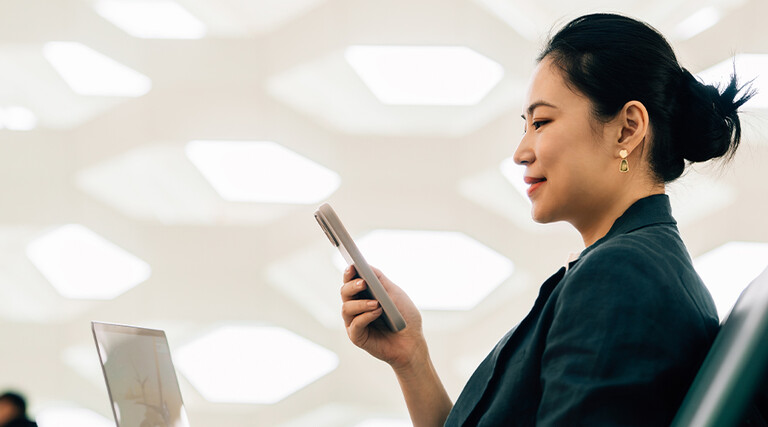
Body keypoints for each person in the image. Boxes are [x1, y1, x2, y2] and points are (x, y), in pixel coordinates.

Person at [339, 13, 755, 426]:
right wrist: (412, 358)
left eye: (541, 122)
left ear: (627, 129)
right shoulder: (633, 266)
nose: (521, 152)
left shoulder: (618, 276)